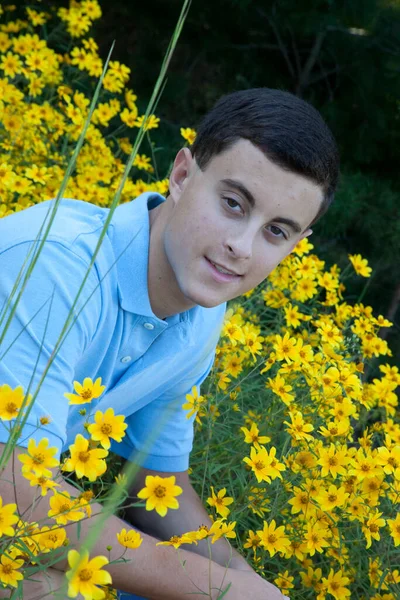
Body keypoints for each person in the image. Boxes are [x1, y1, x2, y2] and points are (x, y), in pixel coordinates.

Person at [0, 87, 339, 599]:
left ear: (297, 244)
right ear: (181, 175)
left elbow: (155, 480)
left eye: (276, 232)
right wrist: (216, 587)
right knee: (52, 592)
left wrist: (249, 580)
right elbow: (14, 490)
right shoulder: (58, 265)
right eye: (232, 203)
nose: (241, 247)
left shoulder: (202, 314)